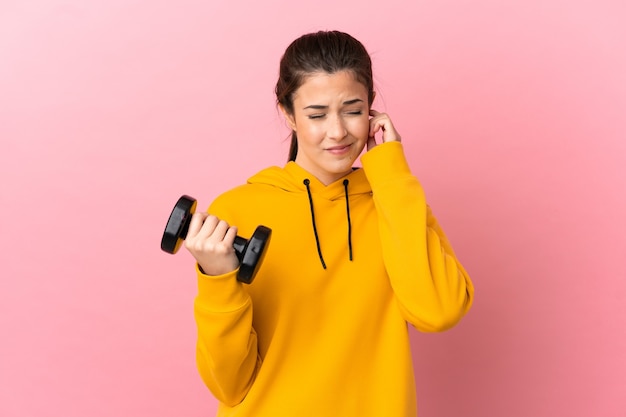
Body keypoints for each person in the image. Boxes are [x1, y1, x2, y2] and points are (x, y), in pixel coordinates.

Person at [183, 30, 474, 416]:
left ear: (372, 108)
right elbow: (228, 384)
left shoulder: (394, 200)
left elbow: (440, 312)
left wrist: (389, 170)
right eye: (316, 115)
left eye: (352, 111)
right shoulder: (237, 211)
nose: (337, 132)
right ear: (288, 113)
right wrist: (218, 279)